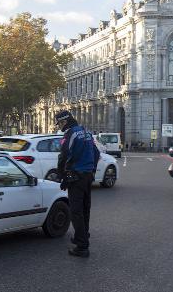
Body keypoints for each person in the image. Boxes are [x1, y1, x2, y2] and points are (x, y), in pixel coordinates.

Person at [55, 110, 100, 258]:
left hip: (76, 177)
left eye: (60, 123)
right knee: (85, 209)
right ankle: (83, 236)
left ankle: (82, 246)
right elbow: (96, 153)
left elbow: (64, 155)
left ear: (65, 121)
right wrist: (91, 169)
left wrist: (61, 175)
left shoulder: (70, 134)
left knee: (76, 211)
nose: (60, 126)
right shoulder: (85, 131)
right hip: (88, 176)